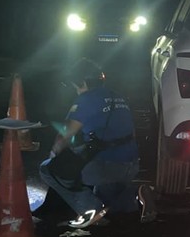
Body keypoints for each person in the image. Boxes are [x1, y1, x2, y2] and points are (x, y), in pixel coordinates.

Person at [32, 57, 157, 228]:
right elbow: (131, 134)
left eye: (75, 86)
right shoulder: (117, 96)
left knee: (47, 169)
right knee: (107, 201)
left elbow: (64, 136)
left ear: (82, 82)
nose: (76, 91)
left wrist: (56, 158)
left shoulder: (86, 100)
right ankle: (135, 196)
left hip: (107, 166)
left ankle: (90, 210)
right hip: (131, 165)